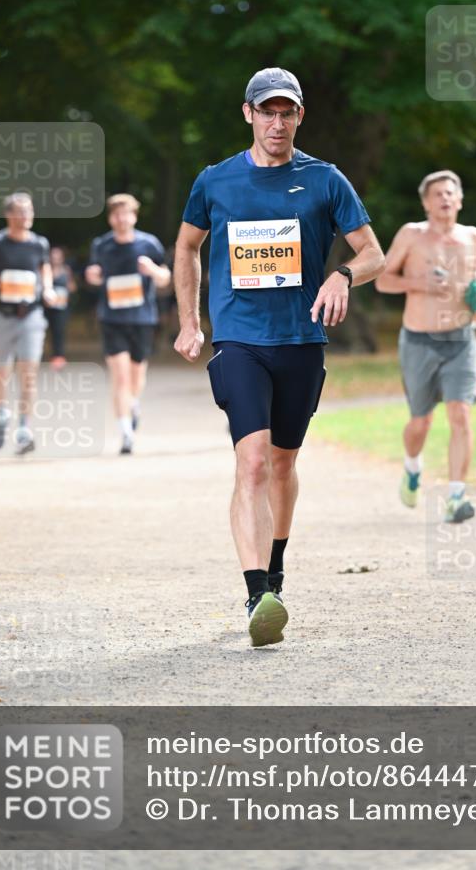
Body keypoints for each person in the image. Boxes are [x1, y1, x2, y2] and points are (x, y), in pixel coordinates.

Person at [173, 66, 385, 647]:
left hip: (301, 340)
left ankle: (276, 572)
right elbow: (187, 247)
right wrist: (190, 321)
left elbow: (374, 253)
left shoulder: (325, 179)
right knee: (252, 463)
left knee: (284, 464)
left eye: (286, 112)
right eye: (266, 111)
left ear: (299, 117)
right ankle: (256, 594)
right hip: (239, 340)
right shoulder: (215, 181)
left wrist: (343, 275)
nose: (276, 122)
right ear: (248, 114)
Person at [375, 169, 476, 524]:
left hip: (461, 340)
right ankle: (412, 467)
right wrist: (420, 283)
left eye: (451, 193)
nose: (445, 198)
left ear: (460, 200)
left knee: (461, 414)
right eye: (437, 194)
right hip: (419, 340)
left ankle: (456, 497)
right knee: (421, 422)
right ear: (425, 202)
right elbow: (382, 280)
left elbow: (471, 281)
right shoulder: (412, 235)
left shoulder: (471, 236)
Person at [85, 194, 170, 454]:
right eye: (116, 214)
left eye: (126, 213)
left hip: (142, 318)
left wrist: (153, 271)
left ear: (134, 216)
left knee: (136, 375)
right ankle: (126, 433)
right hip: (112, 318)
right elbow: (94, 275)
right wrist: (92, 276)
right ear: (111, 218)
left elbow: (165, 277)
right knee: (120, 377)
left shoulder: (149, 244)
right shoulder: (101, 245)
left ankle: (133, 403)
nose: (121, 219)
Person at [0, 192, 56, 455]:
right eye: (20, 211)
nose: (26, 216)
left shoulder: (39, 243)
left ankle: (24, 429)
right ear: (8, 215)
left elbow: (45, 269)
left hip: (31, 315)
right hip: (1, 315)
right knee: (1, 371)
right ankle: (2, 413)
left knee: (28, 373)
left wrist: (48, 288)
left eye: (29, 211)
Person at [45, 245, 77, 369]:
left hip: (61, 307)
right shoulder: (46, 270)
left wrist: (67, 291)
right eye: (53, 255)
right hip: (47, 307)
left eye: (58, 255)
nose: (55, 258)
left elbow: (72, 286)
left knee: (58, 331)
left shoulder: (66, 270)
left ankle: (58, 356)